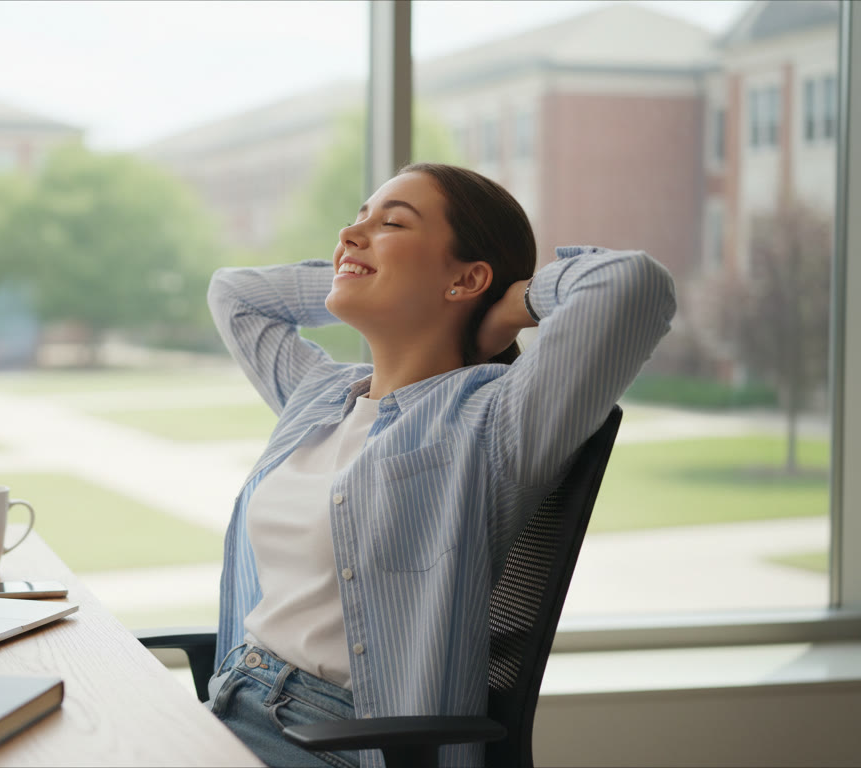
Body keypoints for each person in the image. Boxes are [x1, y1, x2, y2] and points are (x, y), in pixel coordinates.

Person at [203, 162, 676, 768]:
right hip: (231, 695)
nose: (350, 235)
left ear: (467, 278)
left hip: (336, 740)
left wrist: (510, 306)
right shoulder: (319, 395)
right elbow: (234, 293)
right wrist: (365, 261)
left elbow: (635, 283)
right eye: (356, 220)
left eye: (392, 223)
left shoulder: (492, 422)